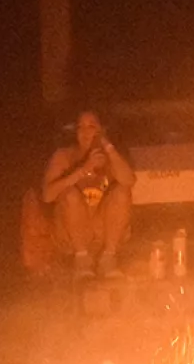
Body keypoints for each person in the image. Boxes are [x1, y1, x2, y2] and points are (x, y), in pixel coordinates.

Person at [41, 109, 135, 278]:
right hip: (72, 233)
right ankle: (82, 259)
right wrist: (83, 170)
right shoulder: (64, 156)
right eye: (80, 127)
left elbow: (129, 181)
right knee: (69, 194)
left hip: (101, 230)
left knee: (122, 192)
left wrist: (108, 148)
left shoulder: (110, 156)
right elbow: (48, 195)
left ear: (101, 131)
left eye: (91, 126)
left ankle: (108, 257)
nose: (85, 132)